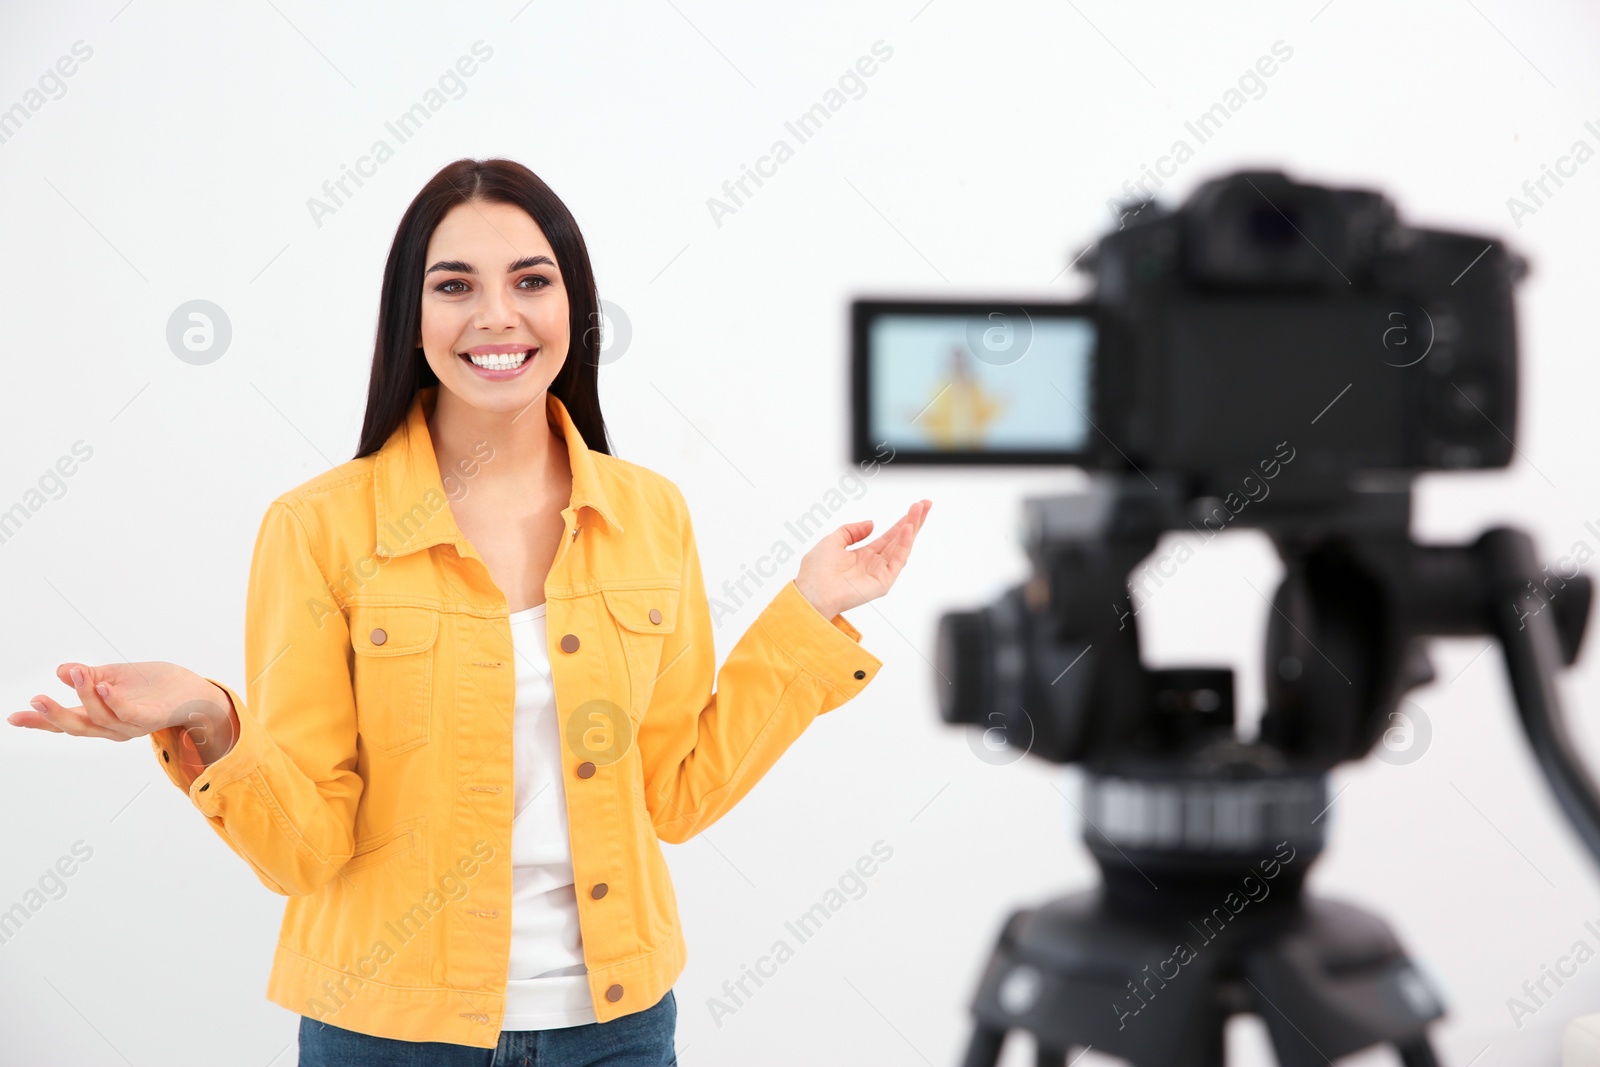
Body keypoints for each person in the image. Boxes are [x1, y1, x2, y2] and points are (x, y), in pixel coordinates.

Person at [9, 157, 930, 1066]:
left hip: (617, 1028)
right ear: (412, 315)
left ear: (577, 308)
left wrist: (812, 611)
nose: (497, 316)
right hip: (386, 1032)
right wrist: (208, 715)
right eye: (455, 285)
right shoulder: (318, 527)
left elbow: (679, 791)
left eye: (532, 280)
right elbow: (306, 849)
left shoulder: (651, 515)